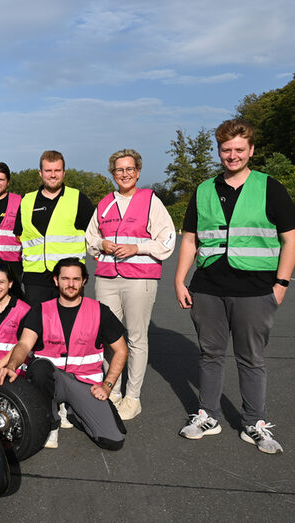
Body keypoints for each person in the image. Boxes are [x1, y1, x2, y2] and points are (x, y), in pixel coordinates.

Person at [175, 119, 295, 454]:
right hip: (208, 287)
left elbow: (290, 239)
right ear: (219, 150)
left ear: (251, 150)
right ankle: (208, 415)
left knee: (251, 357)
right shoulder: (204, 190)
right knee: (210, 354)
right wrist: (179, 279)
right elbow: (190, 240)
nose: (232, 155)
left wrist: (281, 284)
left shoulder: (270, 187)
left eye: (239, 149)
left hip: (256, 289)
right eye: (226, 149)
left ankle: (253, 422)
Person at [0, 258, 128, 451]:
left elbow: (121, 350)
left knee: (113, 440)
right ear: (56, 280)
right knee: (40, 367)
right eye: (65, 278)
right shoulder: (41, 310)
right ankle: (51, 424)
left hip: (86, 383)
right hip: (52, 380)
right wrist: (11, 366)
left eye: (76, 279)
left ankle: (71, 410)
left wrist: (108, 385)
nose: (70, 284)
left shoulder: (100, 311)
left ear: (84, 280)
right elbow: (24, 344)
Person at [85, 149, 176, 420]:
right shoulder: (104, 204)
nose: (124, 174)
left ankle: (132, 397)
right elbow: (90, 239)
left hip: (139, 279)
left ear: (137, 171)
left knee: (136, 339)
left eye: (129, 169)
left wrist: (136, 247)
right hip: (107, 279)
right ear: (112, 174)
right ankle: (111, 388)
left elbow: (168, 240)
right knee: (107, 337)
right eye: (119, 170)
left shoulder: (150, 201)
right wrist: (102, 243)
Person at [14, 151, 93, 305]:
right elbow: (19, 236)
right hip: (35, 277)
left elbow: (93, 234)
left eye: (57, 170)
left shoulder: (78, 199)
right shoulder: (27, 201)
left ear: (63, 173)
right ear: (40, 173)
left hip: (68, 277)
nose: (53, 175)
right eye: (48, 171)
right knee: (37, 326)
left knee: (68, 325)